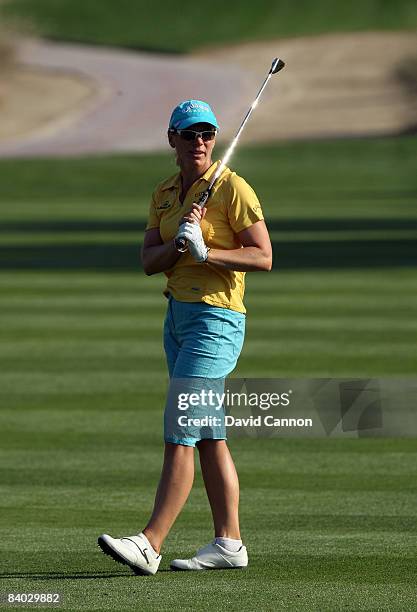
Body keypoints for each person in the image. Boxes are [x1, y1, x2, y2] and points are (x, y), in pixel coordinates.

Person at [98, 99, 272, 575]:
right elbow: (148, 261)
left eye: (207, 134)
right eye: (190, 134)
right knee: (209, 436)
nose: (199, 142)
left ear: (214, 138)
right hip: (177, 319)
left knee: (181, 429)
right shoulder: (165, 193)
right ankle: (229, 543)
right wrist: (180, 246)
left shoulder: (231, 187)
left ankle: (150, 543)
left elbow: (263, 256)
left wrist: (208, 250)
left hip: (216, 321)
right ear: (171, 138)